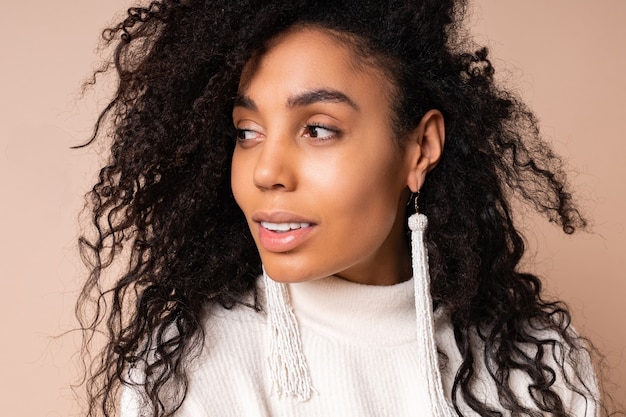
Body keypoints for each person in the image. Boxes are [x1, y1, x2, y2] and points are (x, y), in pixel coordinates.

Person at [76, 0, 608, 416]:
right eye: (247, 131)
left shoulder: (538, 364)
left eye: (318, 129)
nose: (266, 172)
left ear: (420, 148)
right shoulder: (187, 371)